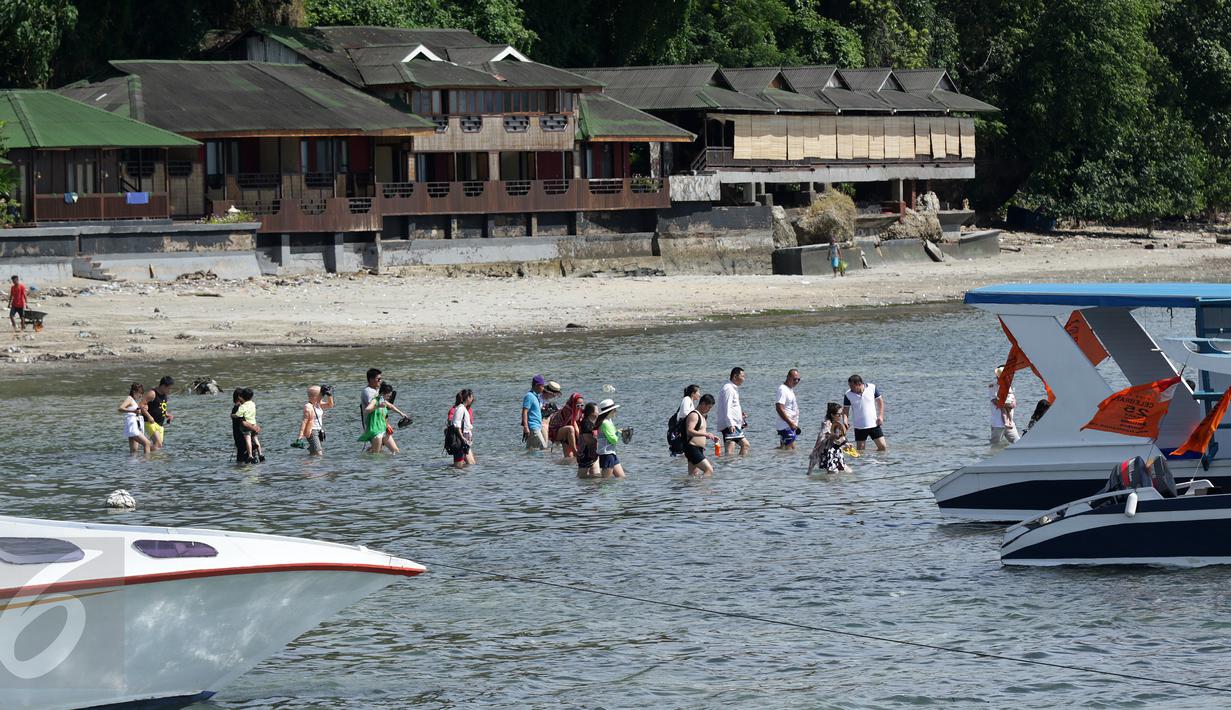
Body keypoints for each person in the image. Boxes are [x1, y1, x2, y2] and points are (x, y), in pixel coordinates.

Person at [843, 374, 886, 451]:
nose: (850, 388)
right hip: (859, 426)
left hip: (874, 424)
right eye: (849, 386)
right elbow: (845, 410)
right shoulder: (848, 394)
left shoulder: (872, 387)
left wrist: (881, 416)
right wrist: (845, 421)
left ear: (859, 384)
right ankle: (864, 463)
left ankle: (875, 461)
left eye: (852, 386)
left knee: (882, 447)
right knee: (861, 450)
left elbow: (880, 402)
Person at [682, 394, 720, 476]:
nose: (709, 410)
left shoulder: (703, 416)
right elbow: (689, 431)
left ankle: (691, 488)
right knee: (709, 470)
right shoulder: (694, 415)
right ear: (703, 404)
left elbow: (698, 433)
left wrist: (711, 437)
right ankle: (704, 488)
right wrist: (706, 434)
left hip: (698, 449)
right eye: (709, 407)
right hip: (691, 448)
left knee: (693, 475)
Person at [715, 367, 749, 456]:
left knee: (730, 450)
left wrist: (740, 416)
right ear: (734, 376)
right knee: (744, 445)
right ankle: (737, 467)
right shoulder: (729, 388)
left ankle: (731, 468)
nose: (744, 379)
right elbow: (727, 407)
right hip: (729, 425)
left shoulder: (732, 388)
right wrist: (730, 424)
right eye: (742, 376)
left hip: (731, 424)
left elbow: (732, 407)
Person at [808, 402, 849, 474]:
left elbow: (839, 440)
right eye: (838, 414)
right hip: (828, 452)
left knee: (848, 472)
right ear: (832, 415)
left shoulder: (837, 424)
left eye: (841, 414)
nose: (840, 416)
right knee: (833, 474)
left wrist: (846, 444)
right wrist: (831, 435)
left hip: (837, 451)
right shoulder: (826, 424)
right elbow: (822, 437)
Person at [297, 384, 335, 455]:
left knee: (314, 453)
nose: (323, 397)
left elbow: (330, 405)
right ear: (315, 397)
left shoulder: (318, 404)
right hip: (312, 432)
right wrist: (300, 436)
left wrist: (329, 395)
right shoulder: (308, 407)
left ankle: (307, 464)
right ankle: (317, 465)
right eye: (321, 395)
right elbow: (304, 422)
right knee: (319, 453)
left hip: (319, 431)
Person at [989, 367, 1020, 445]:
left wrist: (1013, 403)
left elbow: (1014, 399)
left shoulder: (1010, 386)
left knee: (1018, 442)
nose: (1007, 378)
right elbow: (995, 401)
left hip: (1010, 423)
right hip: (998, 424)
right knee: (995, 445)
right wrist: (1007, 404)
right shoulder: (993, 386)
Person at [118, 383, 151, 454]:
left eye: (142, 394)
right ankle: (147, 462)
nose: (141, 395)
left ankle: (133, 464)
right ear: (134, 392)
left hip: (136, 425)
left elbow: (136, 412)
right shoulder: (129, 398)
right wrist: (133, 411)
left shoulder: (135, 401)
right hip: (133, 427)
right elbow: (120, 408)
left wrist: (144, 409)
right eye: (140, 393)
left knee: (134, 451)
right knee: (147, 443)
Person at [142, 376, 174, 450]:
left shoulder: (164, 395)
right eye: (169, 388)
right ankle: (144, 454)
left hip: (160, 424)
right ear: (163, 386)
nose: (169, 391)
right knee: (158, 444)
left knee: (158, 447)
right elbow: (141, 405)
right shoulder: (152, 393)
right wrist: (149, 416)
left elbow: (160, 407)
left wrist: (167, 414)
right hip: (150, 422)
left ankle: (147, 457)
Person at [596, 398, 626, 478]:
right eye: (614, 410)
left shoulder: (608, 420)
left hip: (611, 453)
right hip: (606, 454)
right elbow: (613, 440)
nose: (616, 411)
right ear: (610, 411)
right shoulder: (605, 423)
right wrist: (618, 433)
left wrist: (617, 431)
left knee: (622, 478)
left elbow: (610, 434)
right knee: (605, 481)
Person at [549, 392, 585, 457]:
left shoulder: (581, 411)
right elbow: (574, 426)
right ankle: (575, 451)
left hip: (569, 434)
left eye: (582, 405)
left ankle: (568, 466)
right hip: (557, 431)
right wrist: (581, 440)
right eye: (578, 405)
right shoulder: (568, 410)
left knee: (569, 458)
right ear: (573, 404)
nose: (580, 407)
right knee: (570, 428)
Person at [668, 384, 700, 456]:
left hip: (683, 431)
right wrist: (695, 416)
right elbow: (685, 413)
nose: (699, 394)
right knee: (681, 453)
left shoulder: (689, 401)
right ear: (693, 393)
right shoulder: (687, 399)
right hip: (681, 430)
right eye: (698, 392)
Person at [233, 387, 263, 462]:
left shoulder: (241, 407)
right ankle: (260, 455)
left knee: (242, 462)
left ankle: (251, 457)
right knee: (246, 461)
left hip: (242, 438)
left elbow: (244, 422)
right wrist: (255, 427)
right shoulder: (248, 405)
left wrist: (254, 428)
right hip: (245, 435)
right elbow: (246, 421)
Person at [449, 389, 476, 468]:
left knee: (469, 463)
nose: (472, 399)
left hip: (464, 438)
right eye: (471, 397)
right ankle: (458, 478)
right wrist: (462, 438)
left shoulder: (464, 408)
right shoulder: (460, 408)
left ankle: (465, 478)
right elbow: (456, 425)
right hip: (461, 438)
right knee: (458, 464)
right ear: (468, 398)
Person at [776, 369, 802, 449]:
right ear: (788, 377)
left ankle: (770, 455)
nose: (796, 381)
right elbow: (779, 408)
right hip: (786, 426)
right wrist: (790, 423)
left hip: (790, 425)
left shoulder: (789, 389)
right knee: (790, 450)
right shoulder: (783, 389)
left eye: (798, 379)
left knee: (784, 450)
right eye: (794, 379)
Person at [522, 375, 549, 450]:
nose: (543, 388)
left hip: (537, 427)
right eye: (542, 386)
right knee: (544, 448)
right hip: (533, 427)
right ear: (537, 385)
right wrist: (526, 427)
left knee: (530, 450)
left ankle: (524, 461)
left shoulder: (536, 397)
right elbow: (524, 412)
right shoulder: (529, 396)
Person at [576, 402, 600, 477]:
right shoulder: (586, 422)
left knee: (595, 476)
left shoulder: (593, 422)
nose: (599, 412)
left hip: (592, 453)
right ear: (591, 413)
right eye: (597, 410)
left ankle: (590, 487)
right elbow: (587, 438)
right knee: (581, 475)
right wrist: (599, 442)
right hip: (585, 453)